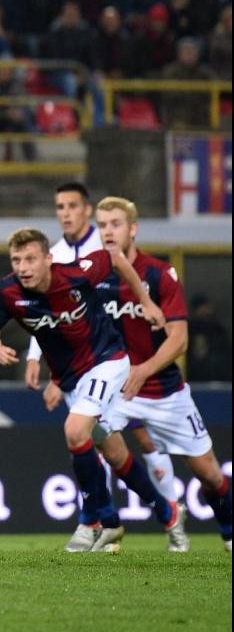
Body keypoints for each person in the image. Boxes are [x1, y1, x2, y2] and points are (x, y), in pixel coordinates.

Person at [0, 228, 164, 553]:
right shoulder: (7, 293)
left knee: (75, 430)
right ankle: (165, 511)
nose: (23, 267)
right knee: (111, 450)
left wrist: (146, 301)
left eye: (31, 259)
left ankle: (93, 522)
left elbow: (116, 258)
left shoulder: (78, 273)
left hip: (108, 359)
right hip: (70, 379)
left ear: (48, 259)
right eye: (16, 260)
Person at [89, 196, 231, 553]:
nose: (108, 231)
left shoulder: (160, 274)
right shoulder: (90, 272)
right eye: (102, 225)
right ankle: (123, 518)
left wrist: (143, 370)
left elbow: (179, 340)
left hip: (165, 392)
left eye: (115, 224)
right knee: (90, 431)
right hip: (116, 391)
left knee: (209, 474)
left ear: (132, 229)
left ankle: (228, 532)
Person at [23, 182, 102, 387]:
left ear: (87, 210)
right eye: (60, 207)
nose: (65, 214)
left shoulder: (106, 247)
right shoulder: (53, 257)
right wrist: (33, 357)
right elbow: (44, 310)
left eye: (72, 206)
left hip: (115, 352)